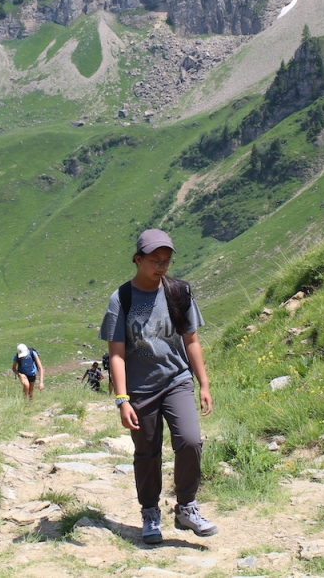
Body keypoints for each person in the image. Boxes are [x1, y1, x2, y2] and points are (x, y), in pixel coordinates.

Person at [99, 228, 217, 544]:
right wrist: (122, 399)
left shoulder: (179, 292)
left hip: (177, 380)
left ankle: (187, 507)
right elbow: (116, 353)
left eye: (166, 261)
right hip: (140, 389)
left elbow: (191, 340)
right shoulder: (121, 299)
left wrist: (204, 383)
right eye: (155, 261)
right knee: (147, 453)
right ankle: (150, 513)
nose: (161, 267)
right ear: (138, 260)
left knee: (190, 441)